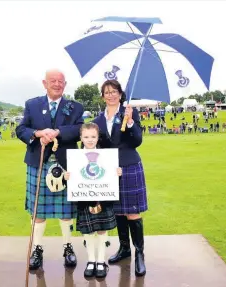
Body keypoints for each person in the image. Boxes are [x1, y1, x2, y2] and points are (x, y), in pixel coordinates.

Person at [16, 69, 84, 270]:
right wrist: (38, 133)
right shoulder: (32, 104)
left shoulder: (75, 106)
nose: (57, 84)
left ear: (65, 84)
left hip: (65, 163)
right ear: (44, 83)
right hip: (39, 162)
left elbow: (79, 130)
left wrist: (57, 132)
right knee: (38, 211)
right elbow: (21, 130)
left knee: (66, 211)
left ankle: (68, 247)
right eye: (53, 81)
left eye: (60, 81)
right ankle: (37, 249)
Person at [93, 79, 148, 277]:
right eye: (107, 92)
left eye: (114, 91)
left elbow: (137, 140)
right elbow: (94, 145)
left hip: (129, 166)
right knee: (117, 212)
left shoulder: (129, 113)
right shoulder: (98, 120)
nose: (110, 95)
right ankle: (124, 249)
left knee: (133, 212)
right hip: (109, 170)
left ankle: (139, 253)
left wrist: (131, 121)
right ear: (102, 96)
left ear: (120, 94)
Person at [64, 123, 122, 278]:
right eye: (86, 137)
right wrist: (67, 177)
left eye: (93, 137)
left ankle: (101, 261)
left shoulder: (107, 156)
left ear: (98, 137)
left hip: (103, 198)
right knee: (88, 232)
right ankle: (91, 260)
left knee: (102, 230)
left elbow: (112, 176)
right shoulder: (74, 157)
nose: (90, 140)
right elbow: (71, 181)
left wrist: (117, 172)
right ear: (81, 138)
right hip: (84, 199)